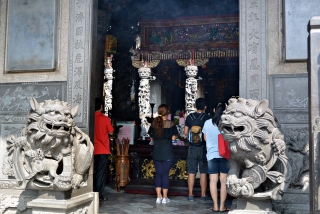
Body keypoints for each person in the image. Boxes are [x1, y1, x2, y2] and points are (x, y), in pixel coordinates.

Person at [202, 103, 230, 212]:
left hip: (211, 154)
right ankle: (222, 206)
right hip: (225, 155)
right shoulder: (227, 123)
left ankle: (215, 206)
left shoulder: (207, 123)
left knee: (213, 180)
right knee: (223, 181)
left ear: (214, 110)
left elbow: (205, 138)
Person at [148, 104, 178, 204]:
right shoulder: (170, 124)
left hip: (157, 152)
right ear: (168, 112)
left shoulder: (154, 123)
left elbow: (151, 138)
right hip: (167, 153)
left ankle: (158, 197)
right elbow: (173, 139)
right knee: (165, 174)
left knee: (158, 174)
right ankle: (165, 197)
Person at [184, 98, 211, 201]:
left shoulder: (189, 117)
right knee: (203, 172)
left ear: (195, 106)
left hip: (192, 148)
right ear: (205, 107)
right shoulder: (207, 118)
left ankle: (190, 194)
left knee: (191, 172)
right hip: (203, 147)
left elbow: (186, 132)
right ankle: (203, 195)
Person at [93, 98, 114, 202]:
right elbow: (111, 132)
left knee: (93, 172)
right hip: (102, 150)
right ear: (101, 107)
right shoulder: (105, 119)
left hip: (91, 149)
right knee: (101, 174)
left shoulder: (90, 118)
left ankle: (91, 193)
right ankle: (99, 195)